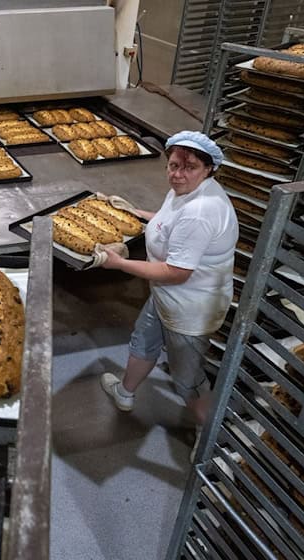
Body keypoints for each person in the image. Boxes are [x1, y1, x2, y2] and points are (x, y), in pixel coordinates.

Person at [97, 130, 237, 459]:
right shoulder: (184, 191)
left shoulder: (201, 212)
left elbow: (177, 271)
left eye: (188, 167)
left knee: (187, 378)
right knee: (144, 339)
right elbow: (167, 223)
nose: (177, 174)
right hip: (166, 296)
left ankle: (209, 434)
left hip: (190, 307)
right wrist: (133, 213)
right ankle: (125, 392)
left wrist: (121, 264)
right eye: (173, 165)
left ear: (208, 169)